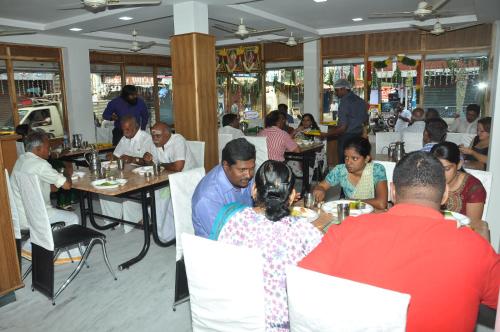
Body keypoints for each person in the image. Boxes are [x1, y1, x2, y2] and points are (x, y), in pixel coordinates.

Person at [300, 152, 499, 332]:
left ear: (393, 192)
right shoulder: (476, 248)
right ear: (445, 194)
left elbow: (301, 286)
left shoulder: (346, 230)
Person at [214, 160, 322, 331]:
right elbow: (323, 280)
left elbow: (220, 271)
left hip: (239, 317)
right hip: (284, 324)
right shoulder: (304, 231)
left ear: (254, 190)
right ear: (293, 195)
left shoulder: (234, 221)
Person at [10, 131, 80, 262]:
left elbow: (46, 187)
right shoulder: (41, 165)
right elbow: (67, 185)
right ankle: (59, 255)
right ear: (38, 149)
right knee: (73, 218)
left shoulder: (21, 160)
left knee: (60, 213)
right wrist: (67, 171)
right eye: (48, 147)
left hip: (20, 215)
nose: (50, 150)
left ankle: (33, 244)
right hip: (35, 216)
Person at [140, 122, 195, 242]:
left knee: (158, 196)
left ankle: (164, 232)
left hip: (186, 180)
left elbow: (178, 167)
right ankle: (163, 230)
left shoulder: (178, 140)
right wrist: (147, 160)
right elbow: (153, 165)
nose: (154, 139)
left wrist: (158, 165)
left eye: (157, 136)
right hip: (168, 179)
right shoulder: (153, 141)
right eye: (153, 135)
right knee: (152, 193)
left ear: (167, 134)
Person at [100, 115, 156, 233]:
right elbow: (117, 156)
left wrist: (132, 159)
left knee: (124, 188)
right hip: (126, 173)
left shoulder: (146, 139)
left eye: (128, 130)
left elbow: (148, 161)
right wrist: (112, 156)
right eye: (123, 130)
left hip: (143, 175)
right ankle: (113, 219)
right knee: (105, 187)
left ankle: (136, 219)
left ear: (136, 127)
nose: (125, 133)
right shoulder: (125, 138)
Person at [192, 138, 256, 238]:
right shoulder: (208, 197)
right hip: (218, 246)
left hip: (246, 227)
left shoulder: (242, 177)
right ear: (226, 166)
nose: (248, 175)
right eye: (242, 170)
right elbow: (223, 237)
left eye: (252, 168)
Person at [313, 136, 387, 210]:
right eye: (346, 157)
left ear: (366, 159)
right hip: (350, 213)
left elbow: (381, 203)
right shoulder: (340, 170)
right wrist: (320, 189)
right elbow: (321, 186)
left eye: (354, 158)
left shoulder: (376, 170)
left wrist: (352, 203)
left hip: (372, 214)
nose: (348, 162)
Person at [431, 142, 486, 221]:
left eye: (446, 169)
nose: (440, 174)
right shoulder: (428, 182)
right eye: (435, 168)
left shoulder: (473, 188)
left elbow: (473, 225)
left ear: (459, 164)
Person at [327, 79, 368, 163]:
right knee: (356, 163)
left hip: (347, 139)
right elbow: (365, 120)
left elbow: (343, 128)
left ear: (344, 89)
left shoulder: (345, 102)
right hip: (358, 137)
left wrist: (325, 134)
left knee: (344, 165)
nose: (336, 93)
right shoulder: (361, 101)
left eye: (337, 90)